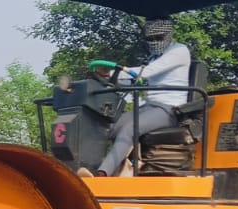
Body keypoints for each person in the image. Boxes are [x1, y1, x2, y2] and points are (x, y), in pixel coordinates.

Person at [78, 18, 191, 178]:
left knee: (130, 129)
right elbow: (132, 77)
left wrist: (109, 72)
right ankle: (85, 169)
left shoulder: (179, 51)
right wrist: (102, 77)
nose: (154, 42)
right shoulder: (153, 57)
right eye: (150, 39)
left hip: (169, 109)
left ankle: (102, 175)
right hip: (148, 106)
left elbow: (144, 73)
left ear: (168, 35)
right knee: (105, 127)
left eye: (158, 38)